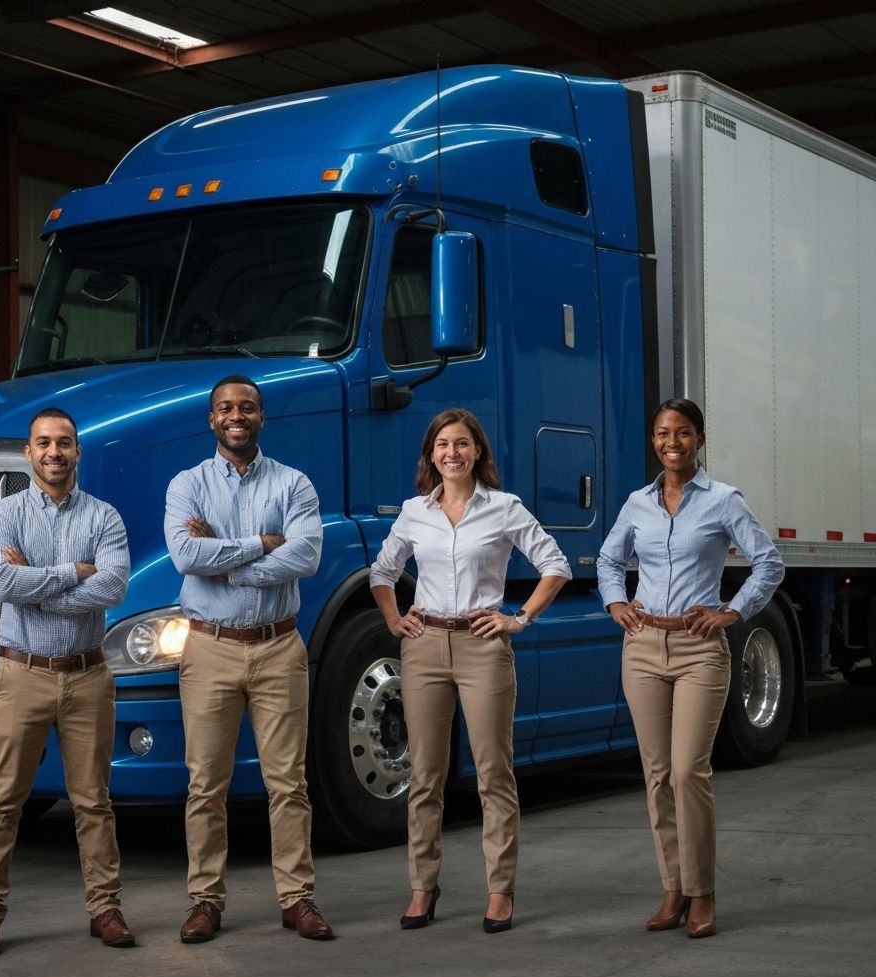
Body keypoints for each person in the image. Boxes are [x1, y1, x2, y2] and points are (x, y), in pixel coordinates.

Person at [370, 408, 571, 933]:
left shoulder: (504, 508)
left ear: (478, 451)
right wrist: (395, 617)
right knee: (425, 775)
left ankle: (500, 890)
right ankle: (422, 886)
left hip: (484, 647)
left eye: (462, 444)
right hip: (426, 645)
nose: (452, 454)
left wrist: (519, 618)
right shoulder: (415, 511)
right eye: (442, 445)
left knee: (493, 773)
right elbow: (383, 571)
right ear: (431, 455)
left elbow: (556, 565)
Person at [597, 397, 784, 939]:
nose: (671, 442)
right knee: (656, 775)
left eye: (682, 433)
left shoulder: (724, 500)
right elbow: (610, 560)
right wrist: (616, 603)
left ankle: (703, 894)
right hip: (643, 646)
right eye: (661, 433)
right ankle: (673, 889)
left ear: (699, 439)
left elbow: (768, 559)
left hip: (701, 649)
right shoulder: (637, 504)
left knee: (687, 771)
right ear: (654, 441)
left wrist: (732, 610)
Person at [164, 374, 333, 942]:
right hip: (208, 648)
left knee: (288, 783)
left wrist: (225, 558)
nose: (237, 416)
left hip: (279, 648)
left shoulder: (294, 484)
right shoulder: (186, 485)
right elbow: (186, 553)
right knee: (205, 784)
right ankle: (205, 902)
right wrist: (263, 543)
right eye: (226, 408)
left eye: (248, 407)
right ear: (211, 419)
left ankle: (296, 899)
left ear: (262, 417)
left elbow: (306, 555)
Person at [0, 408, 133, 957]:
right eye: (43, 443)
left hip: (87, 678)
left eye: (64, 443)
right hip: (22, 676)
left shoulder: (104, 517)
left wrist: (36, 581)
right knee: (2, 801)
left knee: (94, 802)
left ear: (78, 451)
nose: (54, 452)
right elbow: (1, 582)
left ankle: (105, 910)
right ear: (28, 453)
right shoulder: (4, 514)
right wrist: (71, 573)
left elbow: (111, 589)